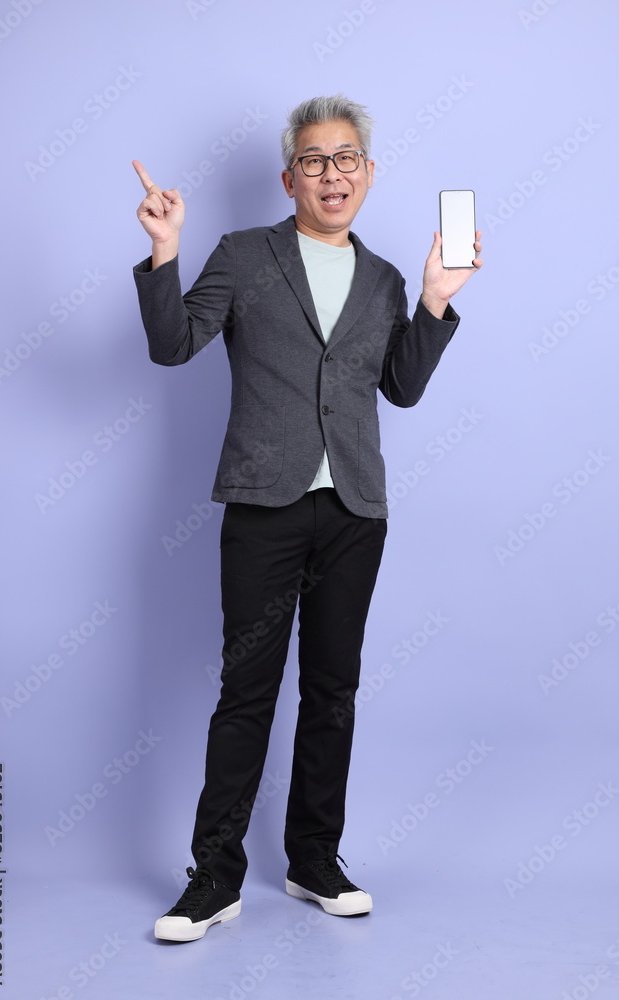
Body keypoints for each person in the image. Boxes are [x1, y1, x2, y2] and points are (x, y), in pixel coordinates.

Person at [132, 93, 482, 943]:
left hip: (354, 510)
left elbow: (399, 387)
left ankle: (313, 859)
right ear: (290, 178)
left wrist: (435, 300)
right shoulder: (243, 254)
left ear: (368, 173)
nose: (332, 174)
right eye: (315, 161)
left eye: (346, 159)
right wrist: (165, 252)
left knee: (333, 690)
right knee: (245, 692)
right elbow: (173, 345)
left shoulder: (386, 278)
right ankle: (214, 877)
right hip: (264, 505)